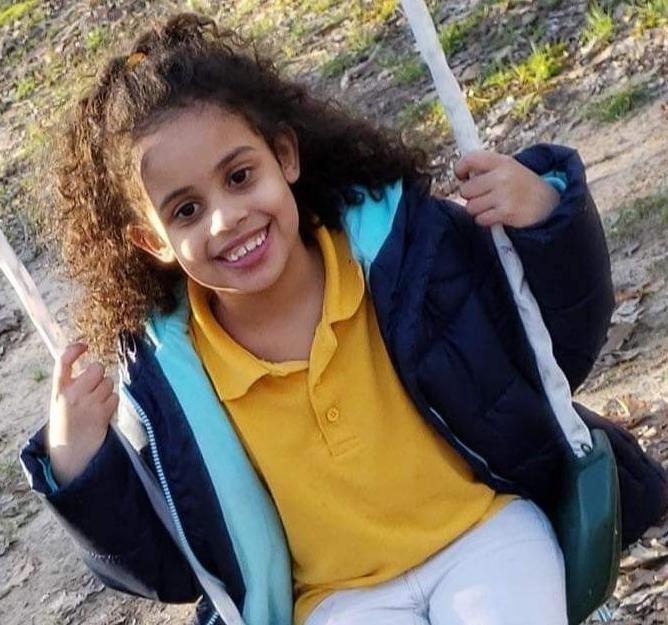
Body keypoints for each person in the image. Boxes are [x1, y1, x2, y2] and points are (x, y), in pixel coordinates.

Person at [20, 13, 667, 625]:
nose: (226, 218)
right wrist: (78, 465)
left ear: (285, 156)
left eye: (240, 176)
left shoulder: (402, 254)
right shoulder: (172, 380)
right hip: (338, 600)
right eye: (186, 211)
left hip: (483, 531)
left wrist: (546, 216)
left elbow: (557, 345)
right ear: (152, 241)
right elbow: (173, 562)